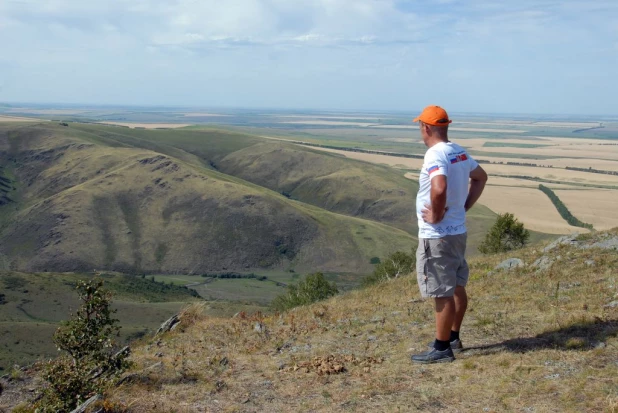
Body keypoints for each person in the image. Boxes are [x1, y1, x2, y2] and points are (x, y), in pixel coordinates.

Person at [410, 105, 487, 364]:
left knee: (442, 291)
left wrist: (437, 214)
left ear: (426, 127)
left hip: (438, 234)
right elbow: (480, 177)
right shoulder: (458, 151)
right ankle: (453, 337)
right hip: (457, 231)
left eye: (420, 126)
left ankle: (442, 348)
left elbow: (439, 187)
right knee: (455, 285)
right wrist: (464, 207)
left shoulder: (434, 155)